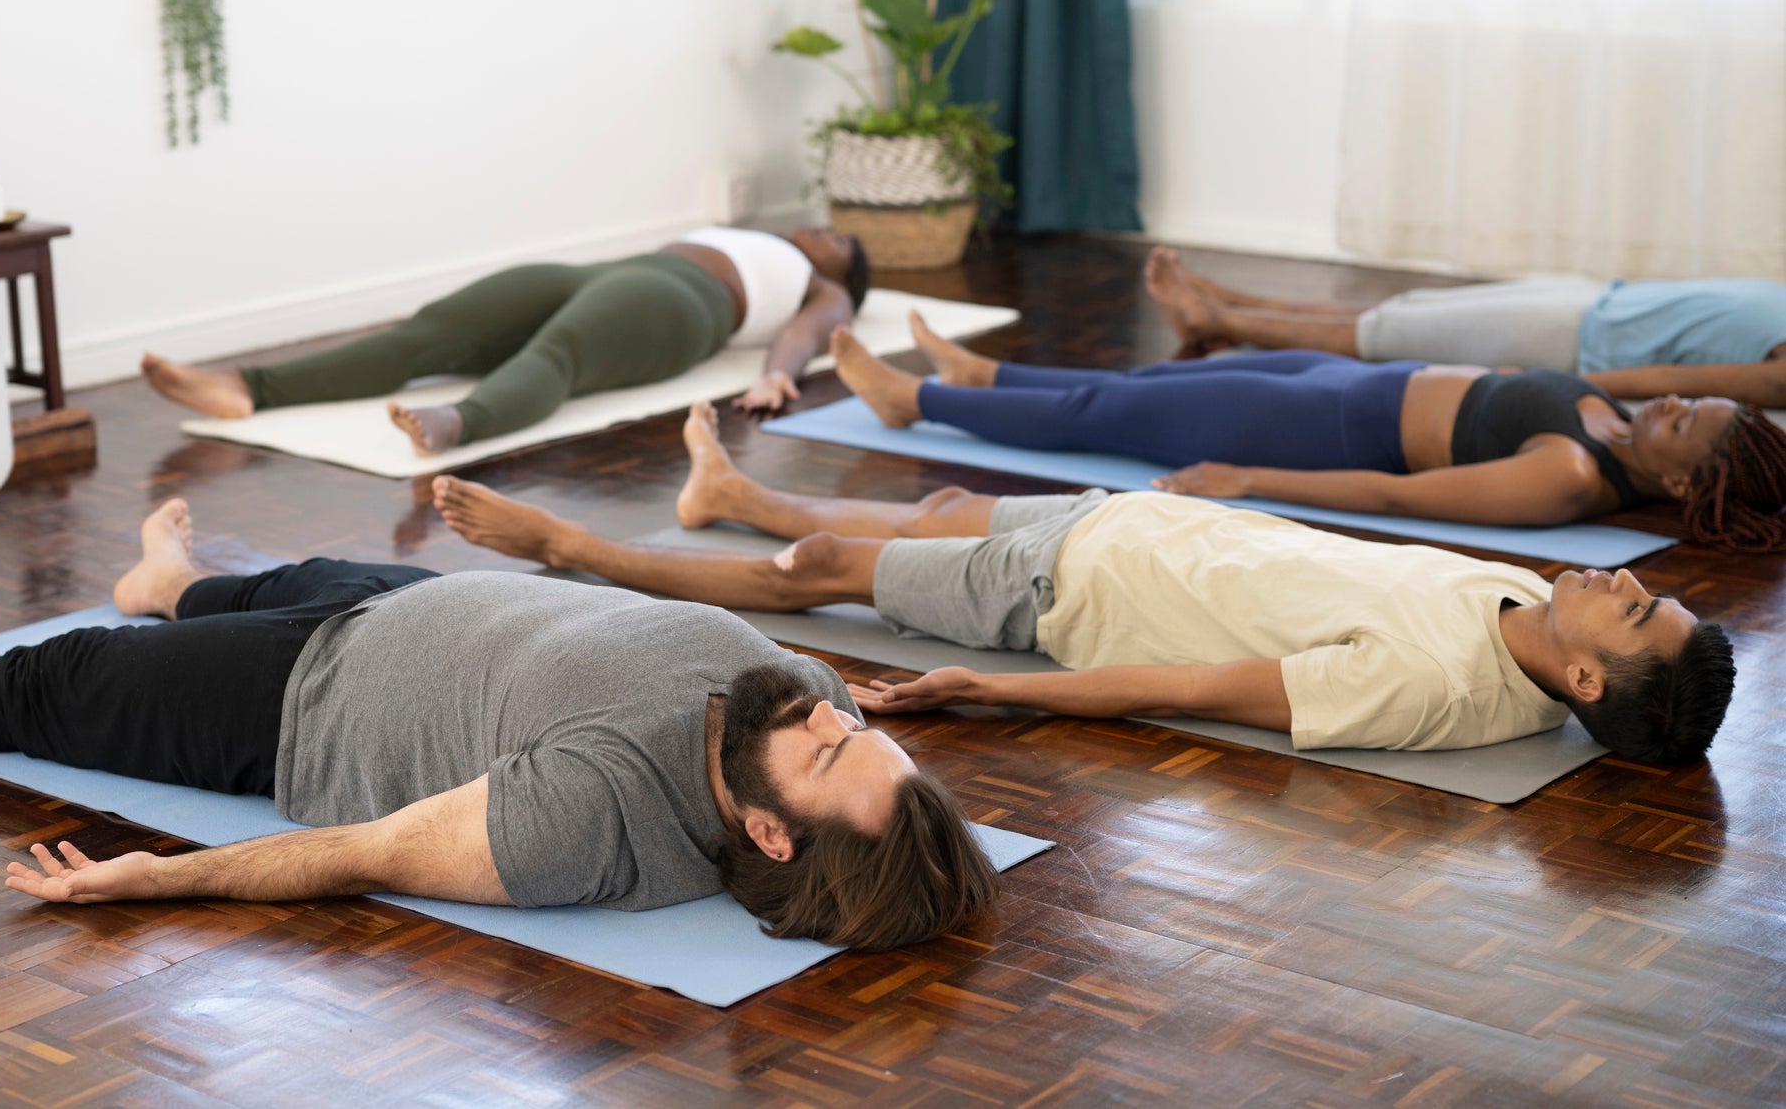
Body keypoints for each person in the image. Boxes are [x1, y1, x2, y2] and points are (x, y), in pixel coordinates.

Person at [0, 499, 997, 950]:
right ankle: (167, 581)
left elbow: (360, 851)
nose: (828, 708)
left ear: (763, 827)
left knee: (55, 679)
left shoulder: (590, 818)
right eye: (853, 722)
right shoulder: (792, 707)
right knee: (265, 574)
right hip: (414, 603)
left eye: (828, 747)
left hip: (300, 700)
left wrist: (162, 881)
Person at [429, 405, 1737, 763]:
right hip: (1125, 525)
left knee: (824, 573)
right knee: (938, 504)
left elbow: (1199, 687)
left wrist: (1008, 697)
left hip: (1069, 593)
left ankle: (579, 550)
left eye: (1626, 607)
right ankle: (739, 494)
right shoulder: (1522, 604)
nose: (1607, 581)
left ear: (1586, 676)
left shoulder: (1429, 687)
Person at [819, 311, 1786, 552]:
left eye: (1684, 425)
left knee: (1111, 417)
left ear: (1681, 486)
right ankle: (986, 373)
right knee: (1154, 380)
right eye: (1686, 402)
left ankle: (916, 402)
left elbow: (1397, 496)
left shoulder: (1569, 477)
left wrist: (1249, 479)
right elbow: (1662, 376)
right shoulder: (1613, 416)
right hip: (1352, 381)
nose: (1669, 406)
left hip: (1322, 428)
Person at [142, 226, 871, 455]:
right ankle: (249, 388)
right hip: (605, 271)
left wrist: (778, 375)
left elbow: (807, 334)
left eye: (837, 242)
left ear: (844, 274)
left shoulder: (823, 287)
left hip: (678, 306)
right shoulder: (756, 229)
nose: (819, 233)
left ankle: (459, 421)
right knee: (431, 332)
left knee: (556, 355)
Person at [1145, 246, 1786, 409]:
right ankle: (1225, 305)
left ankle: (1219, 316)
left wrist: (1544, 382)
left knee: (1385, 334)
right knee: (1403, 312)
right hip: (1596, 302)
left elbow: (1668, 379)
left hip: (1572, 339)